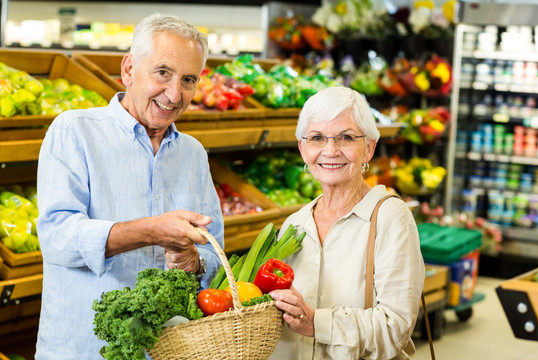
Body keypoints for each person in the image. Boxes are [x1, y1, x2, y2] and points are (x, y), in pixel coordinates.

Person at [35, 13, 224, 359]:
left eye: (188, 80)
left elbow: (215, 255)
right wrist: (151, 231)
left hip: (165, 351)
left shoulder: (193, 154)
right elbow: (57, 237)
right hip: (82, 350)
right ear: (128, 70)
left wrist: (192, 261)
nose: (174, 93)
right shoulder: (74, 132)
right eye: (163, 73)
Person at [269, 86, 425, 359]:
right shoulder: (295, 225)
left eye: (346, 137)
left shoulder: (391, 219)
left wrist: (314, 322)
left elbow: (395, 327)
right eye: (317, 138)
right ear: (303, 149)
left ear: (368, 148)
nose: (331, 150)